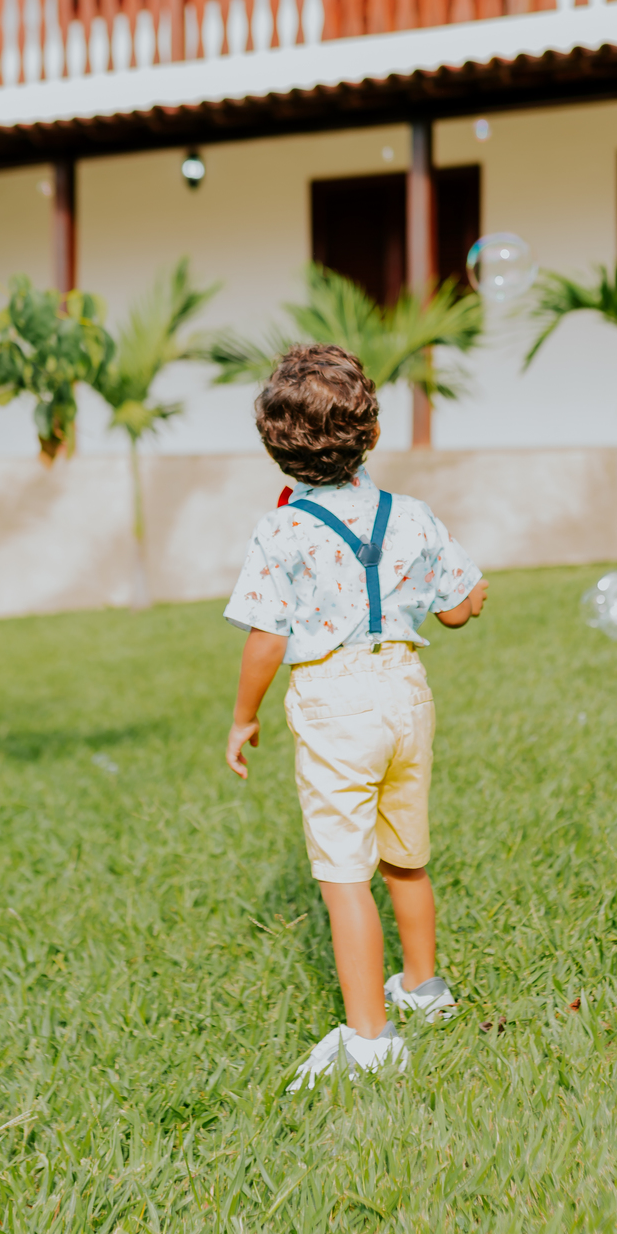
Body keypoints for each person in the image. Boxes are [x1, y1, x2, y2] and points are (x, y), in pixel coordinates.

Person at [223, 343, 488, 1091]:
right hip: (407, 691)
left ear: (277, 452)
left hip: (335, 702)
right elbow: (460, 607)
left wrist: (244, 717)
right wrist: (475, 598)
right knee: (407, 853)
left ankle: (371, 1038)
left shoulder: (280, 532)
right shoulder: (412, 516)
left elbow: (267, 637)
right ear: (371, 434)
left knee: (345, 877)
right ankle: (425, 987)